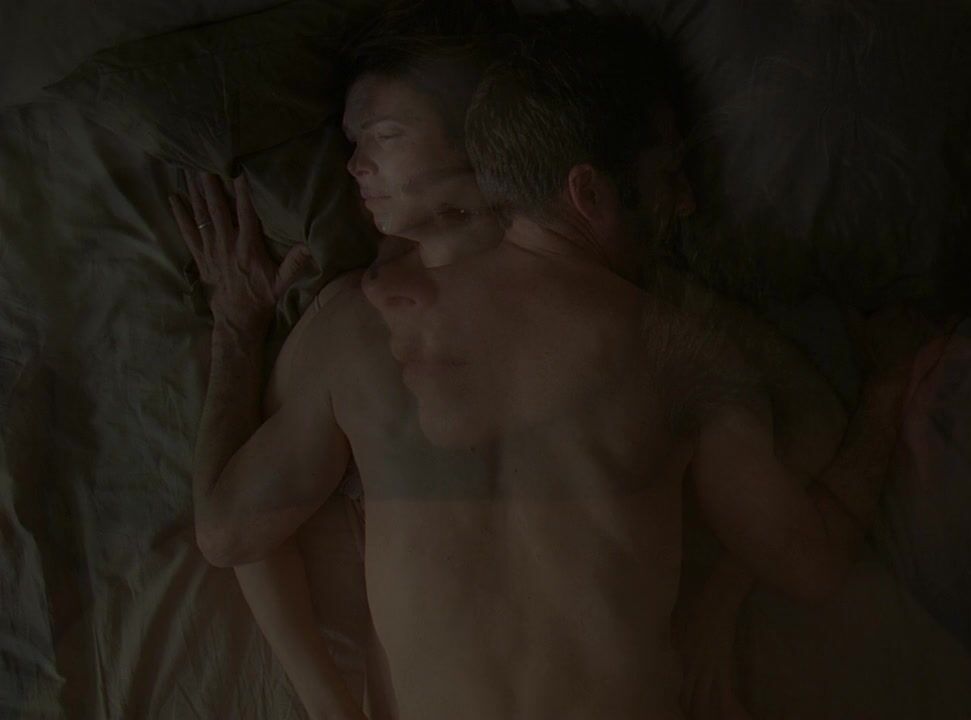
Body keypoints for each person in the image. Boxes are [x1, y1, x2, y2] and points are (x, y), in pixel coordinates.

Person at [362, 9, 922, 719]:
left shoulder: (361, 324)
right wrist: (888, 389)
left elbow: (238, 530)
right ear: (589, 193)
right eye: (667, 174)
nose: (685, 203)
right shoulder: (680, 348)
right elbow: (809, 563)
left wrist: (237, 335)